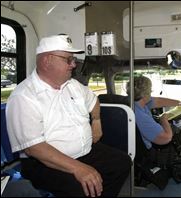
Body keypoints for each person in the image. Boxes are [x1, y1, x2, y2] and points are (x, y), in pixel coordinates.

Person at [6, 34, 131, 197]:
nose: (73, 64)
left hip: (84, 152)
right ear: (47, 60)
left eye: (73, 59)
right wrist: (78, 168)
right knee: (79, 188)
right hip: (44, 163)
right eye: (68, 59)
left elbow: (93, 101)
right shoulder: (24, 97)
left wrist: (97, 120)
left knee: (121, 163)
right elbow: (34, 148)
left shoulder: (72, 85)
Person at [126, 75, 181, 150]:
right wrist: (163, 119)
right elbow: (166, 138)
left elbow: (157, 101)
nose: (151, 92)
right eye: (150, 90)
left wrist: (180, 103)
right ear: (144, 94)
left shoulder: (136, 103)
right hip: (145, 151)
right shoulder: (140, 115)